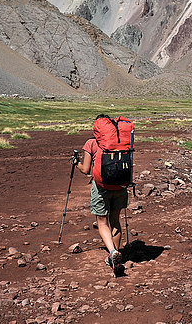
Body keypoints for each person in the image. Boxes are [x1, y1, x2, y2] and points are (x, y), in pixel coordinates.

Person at [74, 114, 128, 272]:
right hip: (120, 186)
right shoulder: (120, 143)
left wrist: (76, 163)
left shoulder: (91, 143)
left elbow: (85, 170)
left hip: (101, 186)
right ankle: (116, 254)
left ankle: (112, 252)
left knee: (102, 222)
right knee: (115, 220)